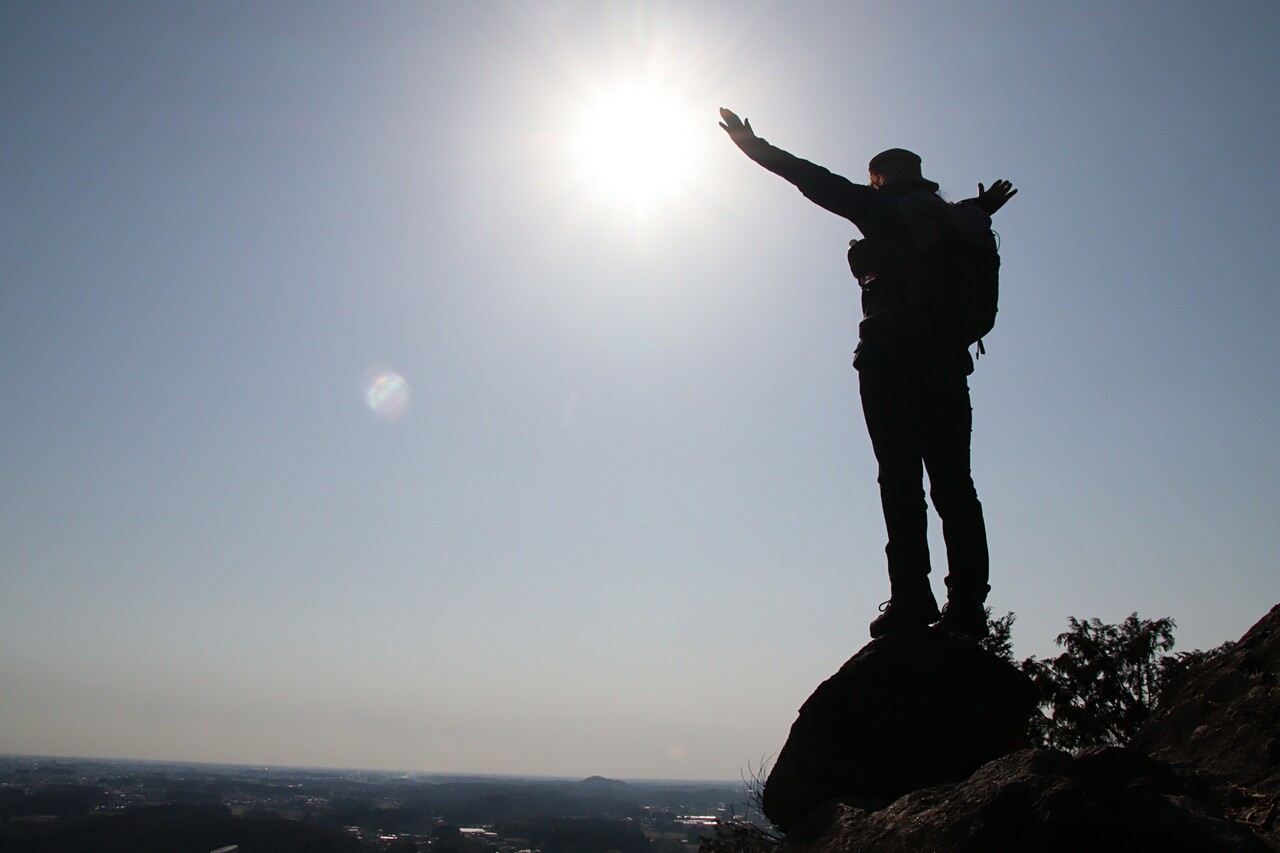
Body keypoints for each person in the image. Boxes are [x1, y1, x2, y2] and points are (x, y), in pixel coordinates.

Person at [718, 107, 1017, 640]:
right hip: (947, 365)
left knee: (900, 480)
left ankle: (912, 598)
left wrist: (751, 143)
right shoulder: (956, 218)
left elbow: (811, 178)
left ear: (879, 177)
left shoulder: (880, 209)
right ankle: (968, 605)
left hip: (890, 360)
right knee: (955, 486)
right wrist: (984, 206)